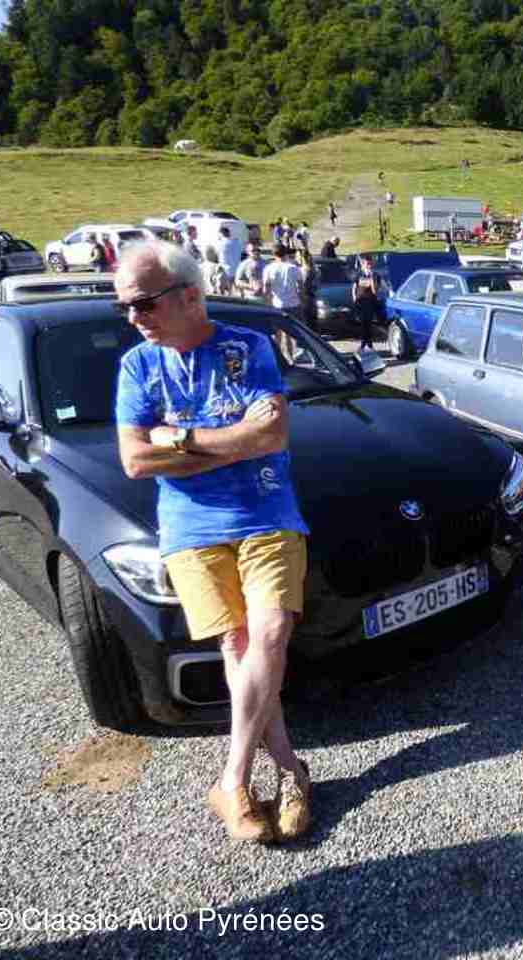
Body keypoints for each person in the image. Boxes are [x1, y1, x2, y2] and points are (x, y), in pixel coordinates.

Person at [113, 242, 312, 843]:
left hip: (266, 511)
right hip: (191, 526)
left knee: (269, 634)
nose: (133, 317)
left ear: (190, 296)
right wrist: (232, 439)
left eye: (144, 303)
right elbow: (134, 461)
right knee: (240, 644)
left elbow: (272, 436)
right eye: (125, 307)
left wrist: (179, 440)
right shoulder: (137, 367)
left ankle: (232, 778)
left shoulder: (247, 348)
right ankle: (292, 769)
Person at [262, 244, 302, 317]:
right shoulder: (294, 268)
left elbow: (266, 289)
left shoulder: (268, 269)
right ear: (286, 254)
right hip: (293, 304)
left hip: (277, 304)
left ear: (273, 254)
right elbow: (300, 287)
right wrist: (302, 300)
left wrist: (267, 304)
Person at [352, 254, 379, 352]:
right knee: (363, 323)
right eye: (367, 264)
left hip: (370, 302)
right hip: (360, 302)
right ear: (363, 264)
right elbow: (354, 286)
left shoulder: (375, 275)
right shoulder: (359, 274)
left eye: (370, 264)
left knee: (368, 323)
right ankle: (363, 344)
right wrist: (354, 297)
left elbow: (375, 291)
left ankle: (369, 344)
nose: (369, 266)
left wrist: (372, 278)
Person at [296, 248, 318, 328]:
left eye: (297, 256)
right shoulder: (312, 269)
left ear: (302, 257)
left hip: (305, 298)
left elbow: (302, 286)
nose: (296, 258)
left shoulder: (304, 270)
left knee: (306, 322)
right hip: (312, 297)